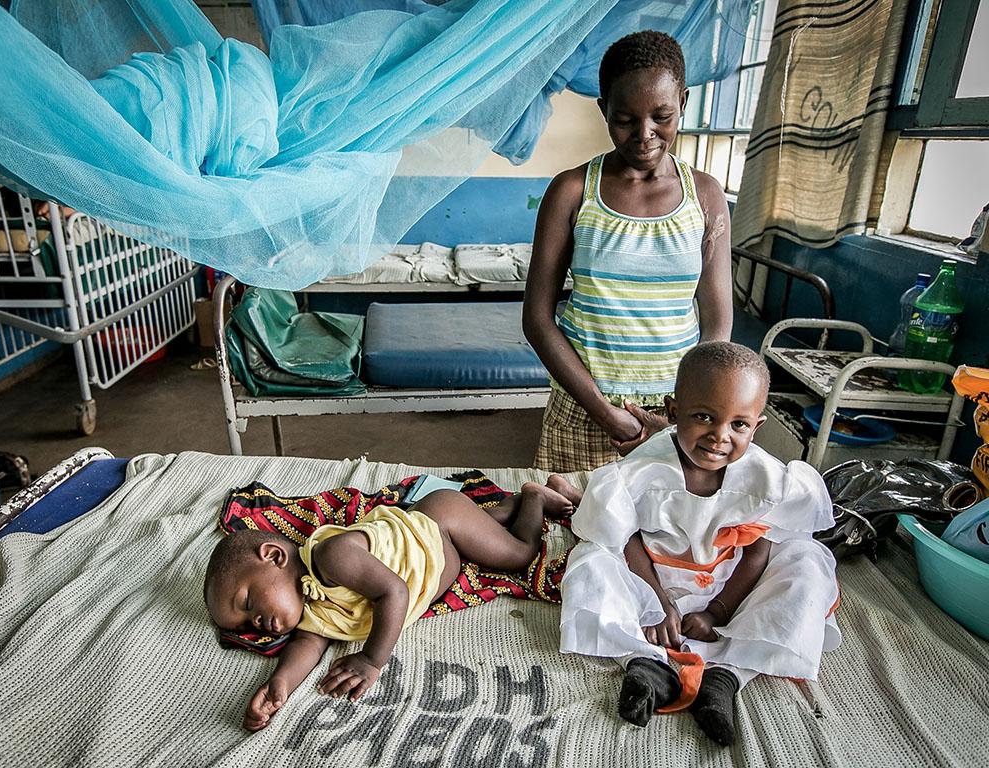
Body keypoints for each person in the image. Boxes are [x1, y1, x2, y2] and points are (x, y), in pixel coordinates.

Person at [559, 341, 840, 746]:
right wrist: (655, 600)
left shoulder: (768, 478)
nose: (719, 437)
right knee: (591, 559)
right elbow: (625, 537)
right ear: (673, 413)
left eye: (738, 425)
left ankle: (725, 678)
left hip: (731, 583)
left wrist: (718, 610)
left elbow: (759, 550)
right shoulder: (639, 470)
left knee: (808, 560)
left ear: (757, 426)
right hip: (650, 576)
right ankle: (645, 665)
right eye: (704, 417)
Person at [204, 476, 582, 731]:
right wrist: (279, 685)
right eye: (249, 625)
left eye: (249, 602)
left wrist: (371, 660)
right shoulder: (310, 608)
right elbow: (309, 644)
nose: (258, 622)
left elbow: (394, 593)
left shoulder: (332, 557)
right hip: (442, 537)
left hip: (438, 523)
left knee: (518, 554)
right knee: (487, 530)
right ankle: (511, 504)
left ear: (274, 556)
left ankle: (533, 495)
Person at [523, 30, 732, 473]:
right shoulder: (573, 191)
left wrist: (688, 412)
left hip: (676, 413)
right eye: (624, 119)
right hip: (585, 407)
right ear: (603, 110)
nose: (644, 135)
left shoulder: (707, 197)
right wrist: (604, 413)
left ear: (684, 103)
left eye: (662, 116)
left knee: (662, 535)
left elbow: (717, 321)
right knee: (569, 531)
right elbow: (537, 319)